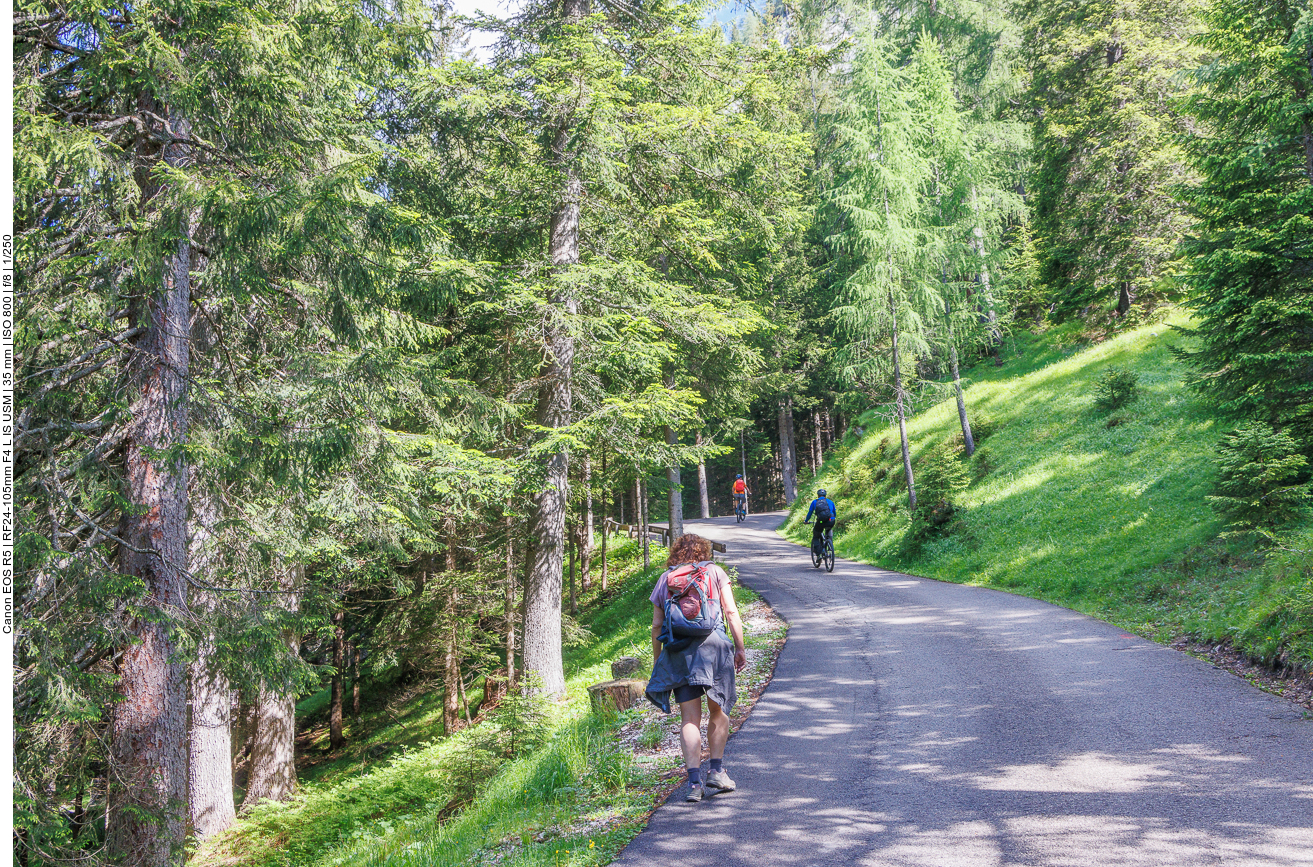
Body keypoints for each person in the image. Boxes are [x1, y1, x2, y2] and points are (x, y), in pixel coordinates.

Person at [645, 534, 748, 802]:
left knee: (689, 719)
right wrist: (740, 647)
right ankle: (716, 770)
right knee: (719, 710)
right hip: (715, 648)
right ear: (703, 551)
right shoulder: (714, 572)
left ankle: (693, 784)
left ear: (676, 553)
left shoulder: (666, 579)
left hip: (680, 652)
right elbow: (731, 612)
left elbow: (657, 626)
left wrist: (658, 661)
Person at [803, 488, 837, 557]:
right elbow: (834, 513)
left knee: (816, 536)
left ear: (818, 495)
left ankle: (819, 554)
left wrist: (806, 521)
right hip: (831, 520)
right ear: (825, 495)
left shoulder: (815, 502)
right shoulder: (830, 502)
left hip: (821, 521)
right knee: (829, 529)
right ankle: (829, 542)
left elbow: (810, 513)